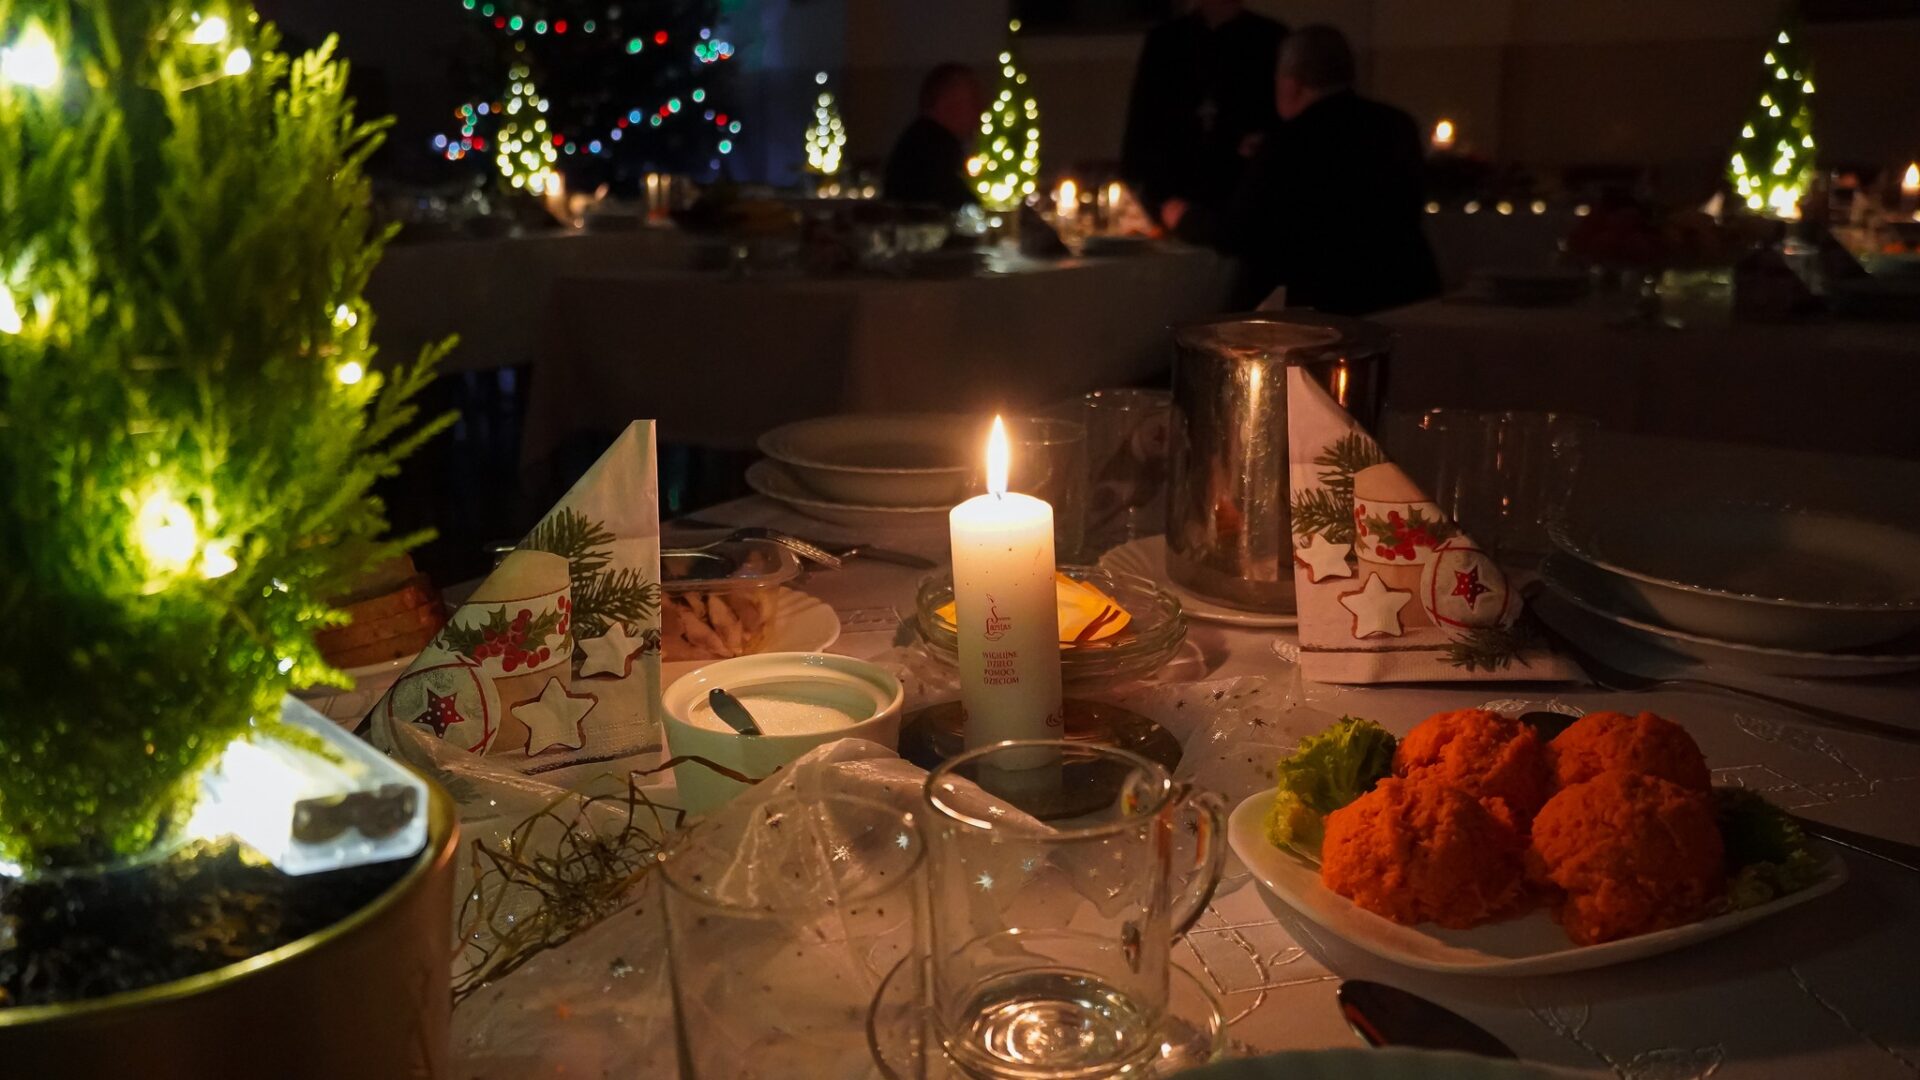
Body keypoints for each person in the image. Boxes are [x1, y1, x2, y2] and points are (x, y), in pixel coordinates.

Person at [1168, 25, 1441, 315]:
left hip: (1327, 307)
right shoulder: (1397, 125)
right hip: (1405, 293)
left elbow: (1240, 233)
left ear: (1291, 83)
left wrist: (1185, 217)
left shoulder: (1289, 142)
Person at [1121, 0, 1287, 229]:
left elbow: (1282, 117)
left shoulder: (1269, 38)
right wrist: (1137, 176)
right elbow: (1143, 115)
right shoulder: (1166, 40)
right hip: (1176, 181)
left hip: (1243, 186)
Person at [883, 63, 983, 210]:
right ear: (946, 104)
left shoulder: (920, 140)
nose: (981, 109)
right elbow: (960, 204)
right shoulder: (934, 149)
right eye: (973, 100)